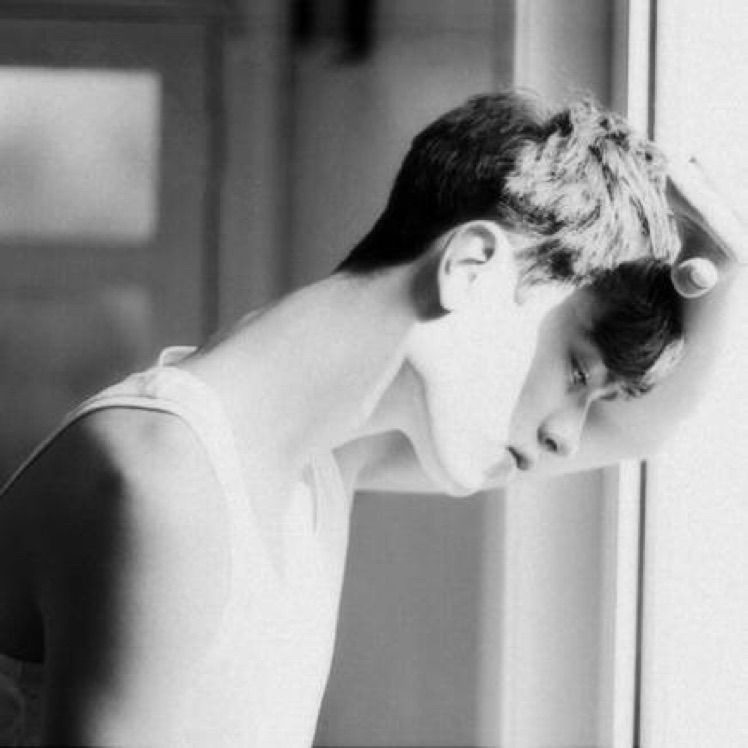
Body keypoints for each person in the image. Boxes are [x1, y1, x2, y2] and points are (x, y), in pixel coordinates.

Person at [0, 90, 689, 746]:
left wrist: (725, 254)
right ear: (471, 267)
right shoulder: (165, 482)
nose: (566, 436)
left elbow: (637, 431)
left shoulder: (320, 457)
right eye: (576, 373)